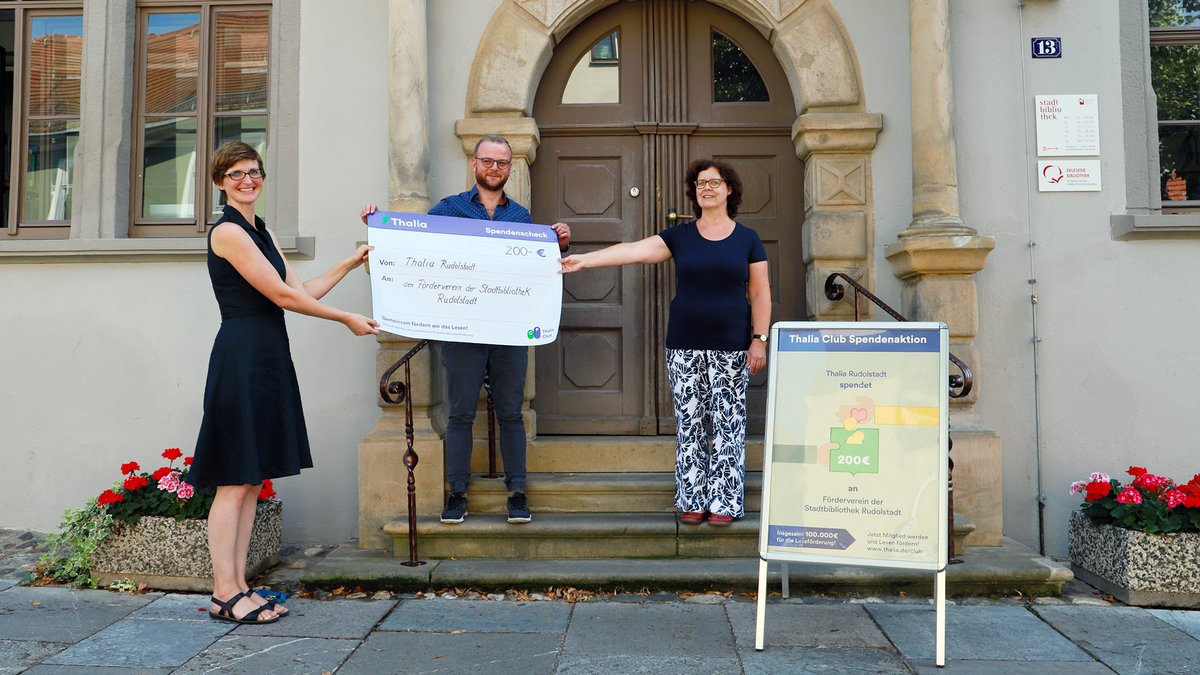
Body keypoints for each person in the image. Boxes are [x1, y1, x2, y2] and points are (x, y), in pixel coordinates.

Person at [191, 140, 379, 624]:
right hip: (241, 356)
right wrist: (345, 319)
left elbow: (301, 290)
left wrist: (348, 263)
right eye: (236, 174)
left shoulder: (262, 231)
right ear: (219, 183)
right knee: (234, 481)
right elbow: (279, 294)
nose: (248, 180)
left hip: (268, 355)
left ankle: (238, 586)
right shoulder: (228, 233)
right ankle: (223, 591)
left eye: (255, 172)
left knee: (252, 479)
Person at [361, 134, 571, 525]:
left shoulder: (521, 218)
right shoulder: (449, 209)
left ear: (510, 168)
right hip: (462, 333)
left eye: (502, 163)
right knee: (460, 414)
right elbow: (414, 248)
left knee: (511, 413)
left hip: (509, 333)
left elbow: (537, 270)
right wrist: (377, 227)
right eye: (488, 161)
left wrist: (559, 244)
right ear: (474, 165)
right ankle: (456, 494)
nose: (495, 168)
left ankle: (518, 492)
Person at [559, 159, 770, 526]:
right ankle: (691, 496)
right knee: (689, 422)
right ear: (695, 191)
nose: (707, 188)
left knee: (727, 423)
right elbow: (633, 251)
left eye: (715, 182)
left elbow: (761, 292)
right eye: (701, 183)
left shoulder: (747, 238)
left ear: (729, 189)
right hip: (684, 344)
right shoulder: (681, 236)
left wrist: (759, 339)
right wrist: (584, 261)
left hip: (732, 346)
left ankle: (724, 501)